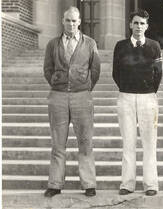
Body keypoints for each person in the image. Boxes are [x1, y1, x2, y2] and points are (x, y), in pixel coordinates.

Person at [43, 6, 100, 197]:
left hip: (82, 96)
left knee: (85, 141)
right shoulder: (52, 44)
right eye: (68, 20)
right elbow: (47, 69)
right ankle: (55, 184)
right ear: (62, 21)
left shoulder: (90, 43)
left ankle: (89, 184)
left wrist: (84, 87)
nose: (71, 24)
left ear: (80, 22)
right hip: (57, 96)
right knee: (58, 143)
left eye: (75, 21)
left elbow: (95, 69)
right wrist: (56, 83)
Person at [112, 9, 162, 196]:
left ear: (147, 26)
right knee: (128, 142)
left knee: (149, 142)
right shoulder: (121, 46)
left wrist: (147, 91)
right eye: (136, 23)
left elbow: (158, 73)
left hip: (148, 97)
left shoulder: (154, 46)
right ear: (130, 25)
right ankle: (127, 183)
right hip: (125, 96)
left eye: (142, 23)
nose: (139, 26)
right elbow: (115, 73)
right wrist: (127, 88)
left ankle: (150, 184)